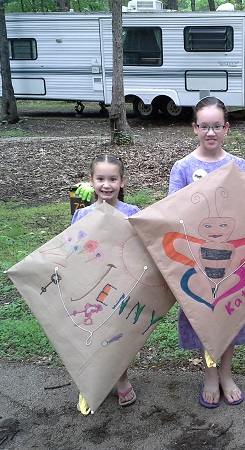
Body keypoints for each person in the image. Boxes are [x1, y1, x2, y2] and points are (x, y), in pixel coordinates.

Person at [168, 96, 245, 408]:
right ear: (195, 128)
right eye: (204, 126)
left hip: (230, 263)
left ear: (227, 127)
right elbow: (172, 215)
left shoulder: (238, 166)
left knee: (229, 317)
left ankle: (227, 373)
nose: (211, 132)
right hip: (197, 263)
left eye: (217, 126)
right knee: (204, 317)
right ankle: (210, 374)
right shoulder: (183, 167)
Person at [72, 153, 141, 408]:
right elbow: (73, 251)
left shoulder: (132, 213)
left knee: (118, 336)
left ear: (122, 182)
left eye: (113, 179)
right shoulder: (83, 215)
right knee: (91, 334)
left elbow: (141, 248)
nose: (106, 184)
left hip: (122, 286)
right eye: (100, 178)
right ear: (91, 181)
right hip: (91, 287)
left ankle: (121, 380)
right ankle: (90, 384)